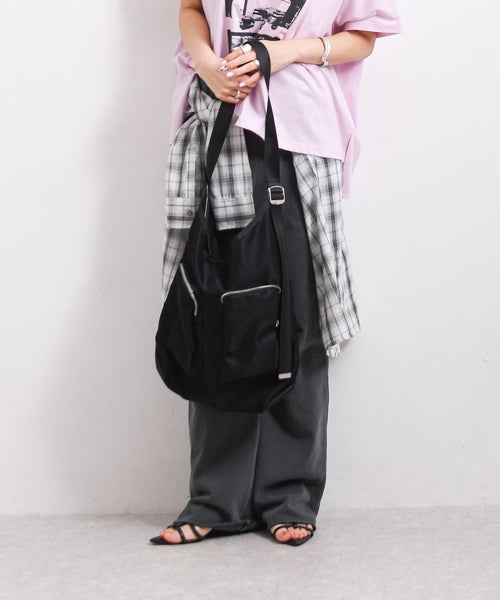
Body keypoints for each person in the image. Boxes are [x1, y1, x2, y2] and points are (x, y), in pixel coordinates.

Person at [150, 0, 402, 547]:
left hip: (301, 137)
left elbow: (362, 37)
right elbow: (191, 8)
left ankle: (290, 495)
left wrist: (286, 53)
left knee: (298, 315)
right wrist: (207, 64)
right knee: (218, 313)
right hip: (219, 129)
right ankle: (215, 499)